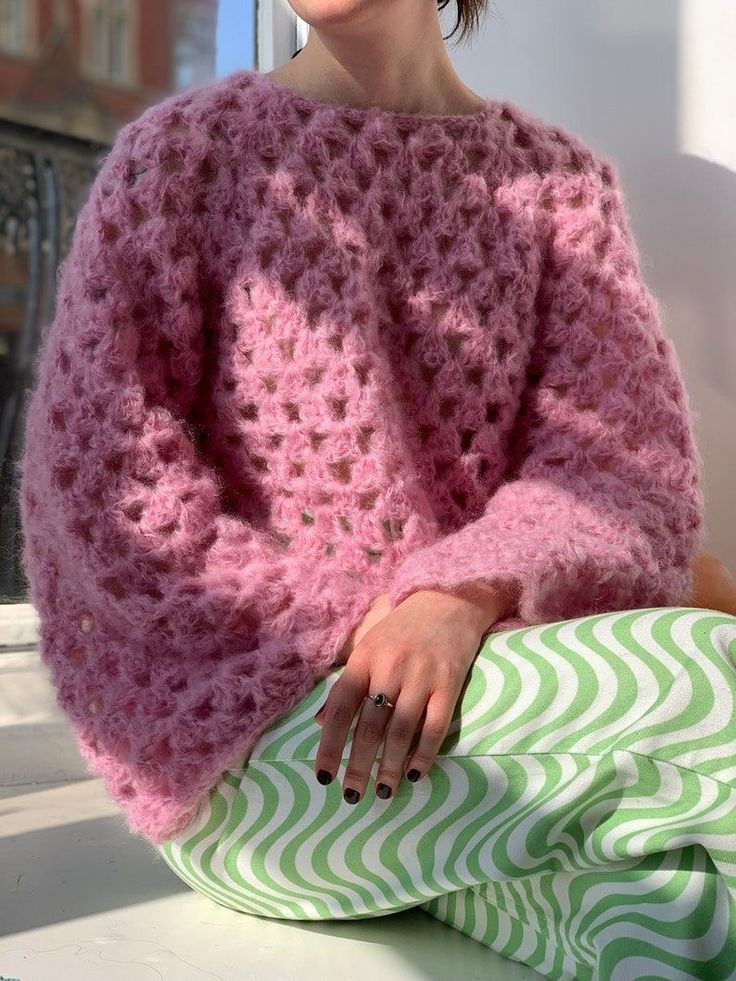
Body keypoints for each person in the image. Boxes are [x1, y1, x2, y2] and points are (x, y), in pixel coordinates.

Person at [17, 1, 736, 977]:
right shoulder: (184, 159)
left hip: (486, 740)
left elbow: (623, 476)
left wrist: (457, 594)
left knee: (686, 915)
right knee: (710, 676)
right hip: (256, 752)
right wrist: (377, 624)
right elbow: (109, 496)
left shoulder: (557, 187)